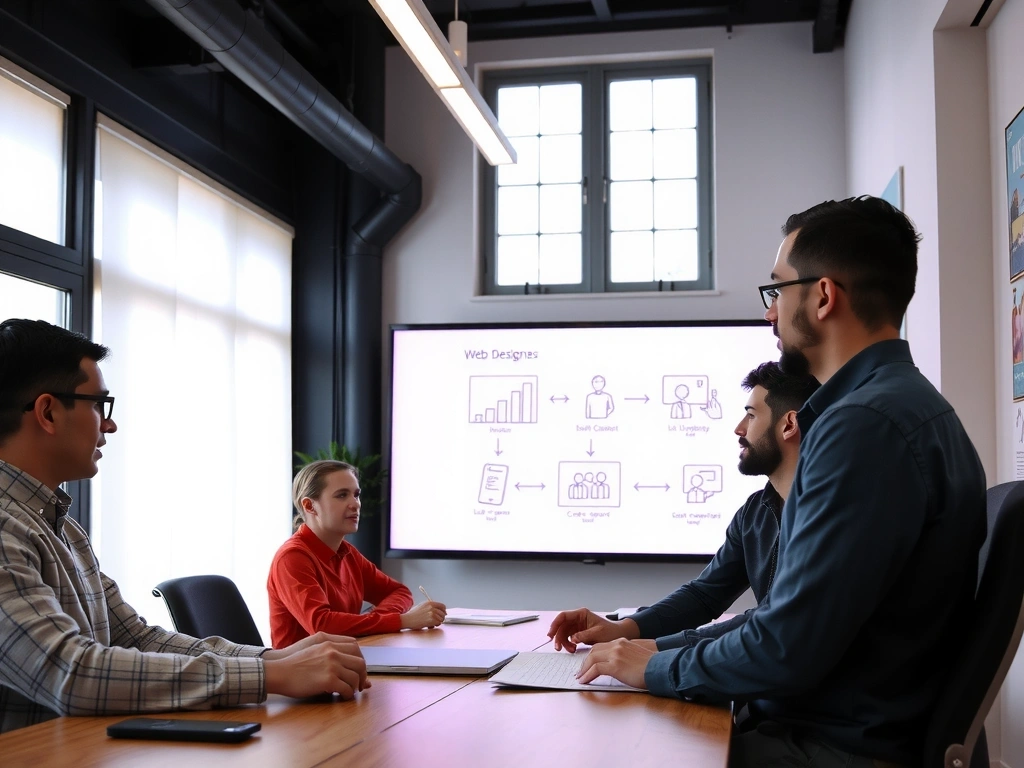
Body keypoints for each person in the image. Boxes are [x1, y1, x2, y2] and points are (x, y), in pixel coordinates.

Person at [577, 196, 986, 768]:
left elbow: (785, 646)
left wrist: (653, 666)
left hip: (823, 746)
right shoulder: (900, 410)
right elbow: (784, 623)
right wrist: (650, 647)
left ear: (822, 296)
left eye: (777, 290)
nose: (769, 313)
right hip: (831, 728)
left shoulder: (863, 427)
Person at [0, 319, 369, 735]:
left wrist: (273, 660)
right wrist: (271, 678)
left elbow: (136, 638)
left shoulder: (63, 529)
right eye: (98, 405)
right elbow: (71, 672)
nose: (110, 425)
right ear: (48, 412)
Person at [548, 361, 818, 654]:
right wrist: (622, 630)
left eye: (751, 416)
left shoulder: (824, 514)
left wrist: (651, 651)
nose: (738, 429)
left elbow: (767, 622)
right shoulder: (755, 511)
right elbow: (704, 595)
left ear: (789, 424)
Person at [267, 460, 447, 647]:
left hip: (348, 660)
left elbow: (398, 592)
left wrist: (375, 620)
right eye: (342, 495)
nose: (355, 504)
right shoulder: (292, 558)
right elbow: (322, 625)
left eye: (356, 495)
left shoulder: (347, 552)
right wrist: (403, 621)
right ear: (310, 506)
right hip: (303, 672)